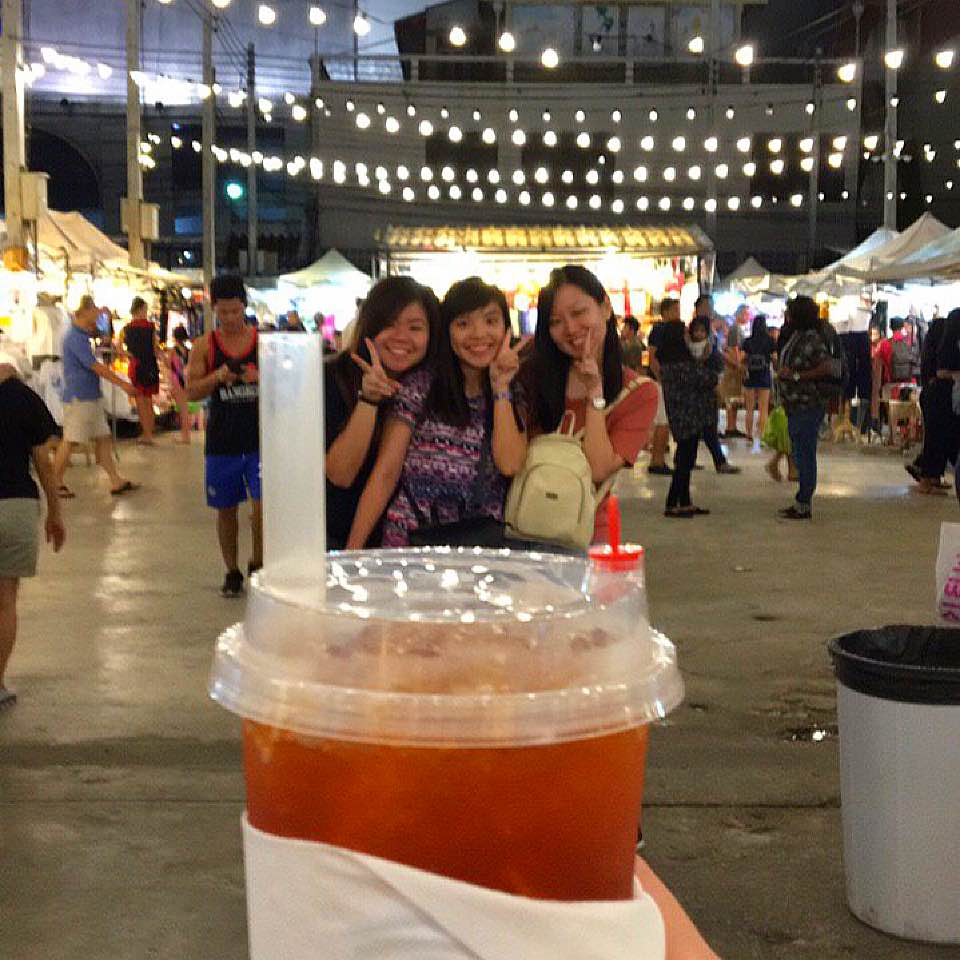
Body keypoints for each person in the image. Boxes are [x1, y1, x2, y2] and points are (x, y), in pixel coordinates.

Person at [347, 277, 527, 549]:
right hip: (409, 543)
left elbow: (510, 464)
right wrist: (353, 551)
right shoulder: (421, 386)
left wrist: (500, 387)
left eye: (491, 321)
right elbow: (385, 473)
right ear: (447, 331)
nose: (479, 334)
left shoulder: (513, 393)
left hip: (477, 548)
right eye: (463, 324)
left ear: (505, 329)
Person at [523, 265, 659, 541]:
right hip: (520, 527)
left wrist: (594, 393)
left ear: (605, 308)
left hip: (586, 536)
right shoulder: (527, 378)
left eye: (578, 313)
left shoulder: (639, 393)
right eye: (555, 321)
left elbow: (598, 469)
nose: (570, 328)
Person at [325, 277, 439, 550]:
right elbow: (340, 474)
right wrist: (369, 400)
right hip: (335, 537)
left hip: (406, 542)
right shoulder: (333, 377)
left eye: (415, 327)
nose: (401, 337)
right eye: (389, 324)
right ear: (371, 325)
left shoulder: (430, 387)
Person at [186, 276, 262, 597]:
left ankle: (258, 563)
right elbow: (191, 392)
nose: (230, 318)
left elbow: (287, 383)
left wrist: (261, 377)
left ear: (244, 306)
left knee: (262, 509)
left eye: (236, 311)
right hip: (222, 441)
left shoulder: (262, 342)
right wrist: (217, 376)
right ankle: (232, 570)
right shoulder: (204, 346)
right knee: (226, 510)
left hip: (259, 441)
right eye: (224, 312)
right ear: (214, 309)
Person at [0, 364, 66, 707]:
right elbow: (43, 462)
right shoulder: (23, 397)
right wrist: (55, 513)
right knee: (5, 599)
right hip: (16, 505)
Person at [53, 295, 138, 498]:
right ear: (85, 312)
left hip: (90, 396)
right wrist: (123, 384)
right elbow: (94, 366)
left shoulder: (81, 336)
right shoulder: (75, 338)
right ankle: (55, 482)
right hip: (80, 397)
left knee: (103, 438)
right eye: (94, 312)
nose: (97, 318)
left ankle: (115, 479)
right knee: (71, 440)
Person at [776, 296, 835, 520]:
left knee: (805, 454)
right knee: (800, 452)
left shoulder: (812, 339)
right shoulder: (797, 336)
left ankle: (804, 501)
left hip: (807, 403)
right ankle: (802, 499)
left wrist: (797, 376)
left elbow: (827, 367)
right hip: (795, 404)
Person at [658, 318, 718, 518]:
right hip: (689, 417)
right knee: (684, 462)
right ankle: (672, 503)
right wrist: (704, 361)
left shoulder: (668, 363)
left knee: (686, 459)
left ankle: (684, 501)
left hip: (681, 416)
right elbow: (707, 378)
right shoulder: (681, 365)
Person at [693, 295, 740, 475]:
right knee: (707, 424)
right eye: (707, 306)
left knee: (704, 424)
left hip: (710, 380)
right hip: (704, 383)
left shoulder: (709, 329)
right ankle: (719, 461)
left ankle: (689, 458)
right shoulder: (697, 330)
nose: (710, 309)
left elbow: (717, 353)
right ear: (699, 307)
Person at [906, 313, 950, 494]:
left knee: (937, 438)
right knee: (935, 438)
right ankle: (926, 478)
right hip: (936, 397)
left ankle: (932, 477)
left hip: (932, 395)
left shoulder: (932, 350)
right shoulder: (941, 352)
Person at [119, 297, 165, 445]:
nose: (146, 312)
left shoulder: (126, 329)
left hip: (136, 365)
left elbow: (119, 349)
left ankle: (146, 434)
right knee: (148, 400)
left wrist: (129, 355)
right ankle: (149, 433)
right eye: (145, 309)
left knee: (140, 401)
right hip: (150, 365)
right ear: (139, 310)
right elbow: (155, 348)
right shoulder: (151, 327)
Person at [646, 297, 682, 476]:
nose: (678, 313)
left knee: (664, 420)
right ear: (665, 312)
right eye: (675, 310)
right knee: (663, 420)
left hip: (666, 380)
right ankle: (657, 460)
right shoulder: (660, 330)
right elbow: (652, 356)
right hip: (661, 381)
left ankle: (659, 458)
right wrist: (660, 377)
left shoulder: (672, 330)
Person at [741, 313, 776, 448]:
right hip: (764, 375)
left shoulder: (748, 341)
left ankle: (749, 434)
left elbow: (742, 358)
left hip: (750, 375)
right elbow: (774, 357)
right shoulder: (770, 341)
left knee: (749, 408)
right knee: (763, 408)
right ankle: (762, 434)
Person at [721, 305, 749, 438]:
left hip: (734, 366)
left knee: (735, 397)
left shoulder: (736, 328)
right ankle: (730, 426)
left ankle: (732, 426)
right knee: (732, 397)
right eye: (746, 313)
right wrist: (738, 365)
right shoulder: (736, 329)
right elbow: (734, 349)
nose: (748, 316)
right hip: (733, 368)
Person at [167, 325, 192, 444]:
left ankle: (185, 437)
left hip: (176, 380)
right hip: (185, 380)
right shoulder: (188, 351)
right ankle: (186, 435)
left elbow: (168, 364)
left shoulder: (173, 351)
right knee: (185, 408)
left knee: (182, 410)